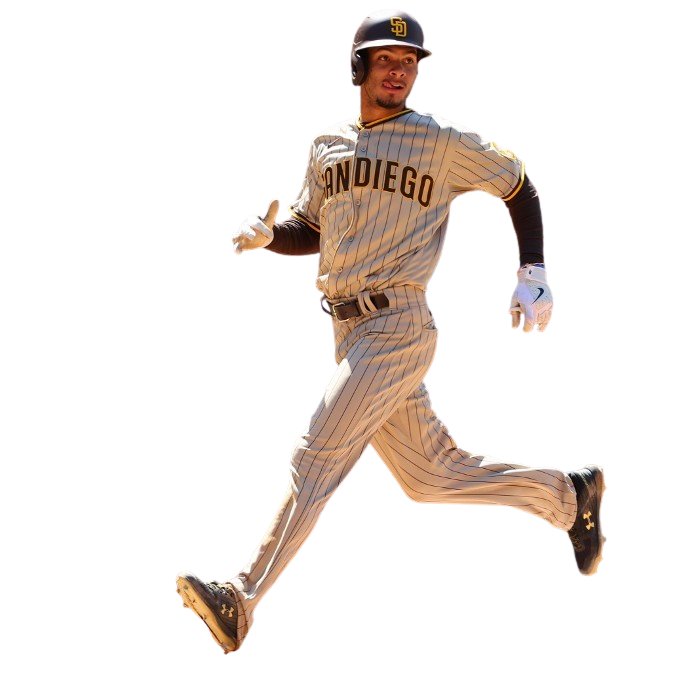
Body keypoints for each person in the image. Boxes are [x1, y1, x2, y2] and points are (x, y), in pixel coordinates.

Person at [175, 8, 607, 655]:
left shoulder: (440, 139)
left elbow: (518, 184)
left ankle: (241, 597)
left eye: (409, 60)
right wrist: (269, 238)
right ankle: (567, 496)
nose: (399, 69)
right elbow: (309, 229)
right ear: (359, 66)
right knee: (430, 477)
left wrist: (533, 269)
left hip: (398, 323)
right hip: (346, 331)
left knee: (315, 454)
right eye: (385, 58)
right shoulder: (327, 145)